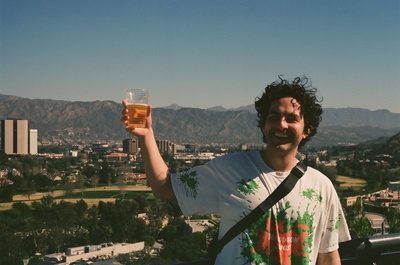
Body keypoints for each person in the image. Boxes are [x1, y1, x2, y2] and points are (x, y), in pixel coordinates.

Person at [121, 76, 351, 265]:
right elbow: (164, 188)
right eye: (274, 117)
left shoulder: (321, 187)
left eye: (291, 119)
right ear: (263, 124)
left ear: (307, 130)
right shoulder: (229, 169)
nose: (281, 124)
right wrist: (147, 136)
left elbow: (328, 256)